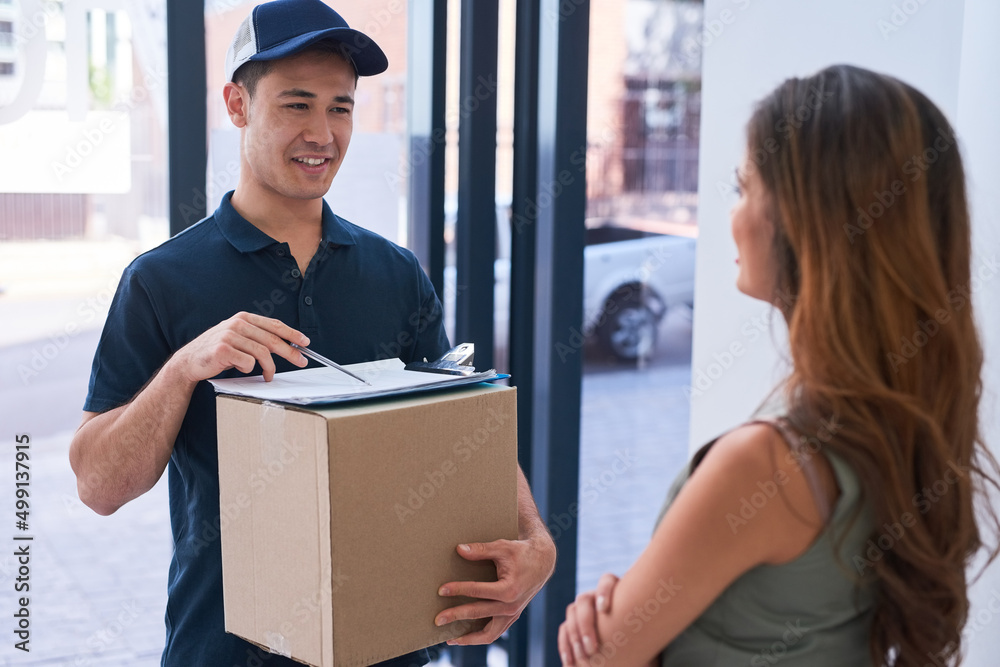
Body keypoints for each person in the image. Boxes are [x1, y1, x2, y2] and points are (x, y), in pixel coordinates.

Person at [68, 1, 556, 665]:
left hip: (388, 645)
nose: (322, 133)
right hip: (225, 649)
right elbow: (98, 486)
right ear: (237, 105)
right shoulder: (161, 280)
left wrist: (537, 539)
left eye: (341, 107)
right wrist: (185, 367)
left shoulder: (395, 273)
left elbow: (460, 423)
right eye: (297, 105)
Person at [558, 64, 1000, 666]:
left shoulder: (765, 465)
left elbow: (599, 658)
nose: (734, 217)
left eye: (745, 188)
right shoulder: (905, 419)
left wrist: (603, 622)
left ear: (802, 222)